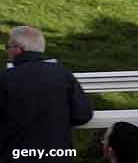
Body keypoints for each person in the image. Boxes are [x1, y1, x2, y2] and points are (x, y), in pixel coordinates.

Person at [0, 26, 93, 163]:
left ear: (18, 49)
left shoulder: (5, 78)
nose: (6, 51)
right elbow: (83, 115)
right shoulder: (62, 73)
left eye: (7, 46)